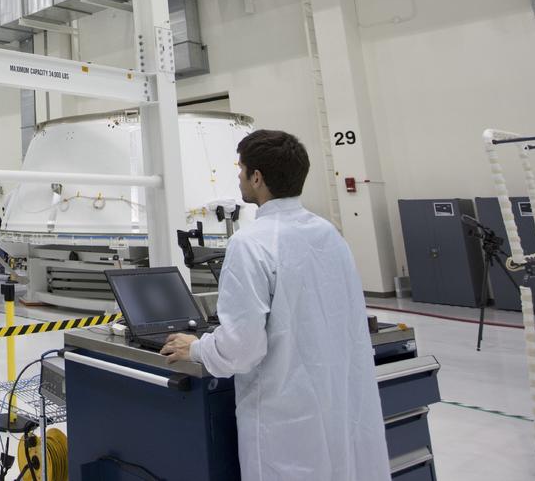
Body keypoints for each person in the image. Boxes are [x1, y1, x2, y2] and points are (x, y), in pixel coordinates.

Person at [159, 130, 390, 481]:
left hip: (286, 419)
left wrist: (198, 348)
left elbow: (242, 348)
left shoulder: (250, 243)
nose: (237, 176)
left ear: (257, 177)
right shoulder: (329, 235)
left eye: (241, 169)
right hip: (339, 403)